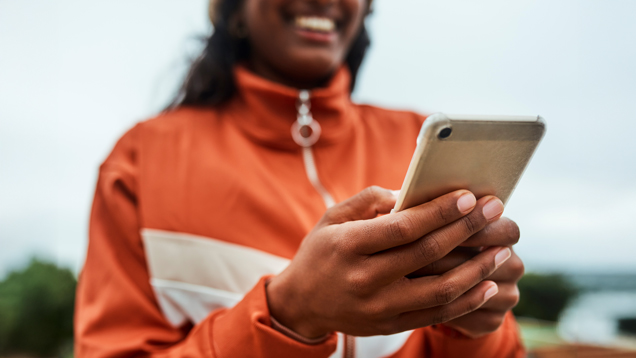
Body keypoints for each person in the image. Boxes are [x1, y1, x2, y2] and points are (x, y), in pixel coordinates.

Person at [74, 0, 526, 357]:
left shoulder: (418, 138)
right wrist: (287, 316)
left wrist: (473, 328)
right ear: (234, 11)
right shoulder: (141, 160)